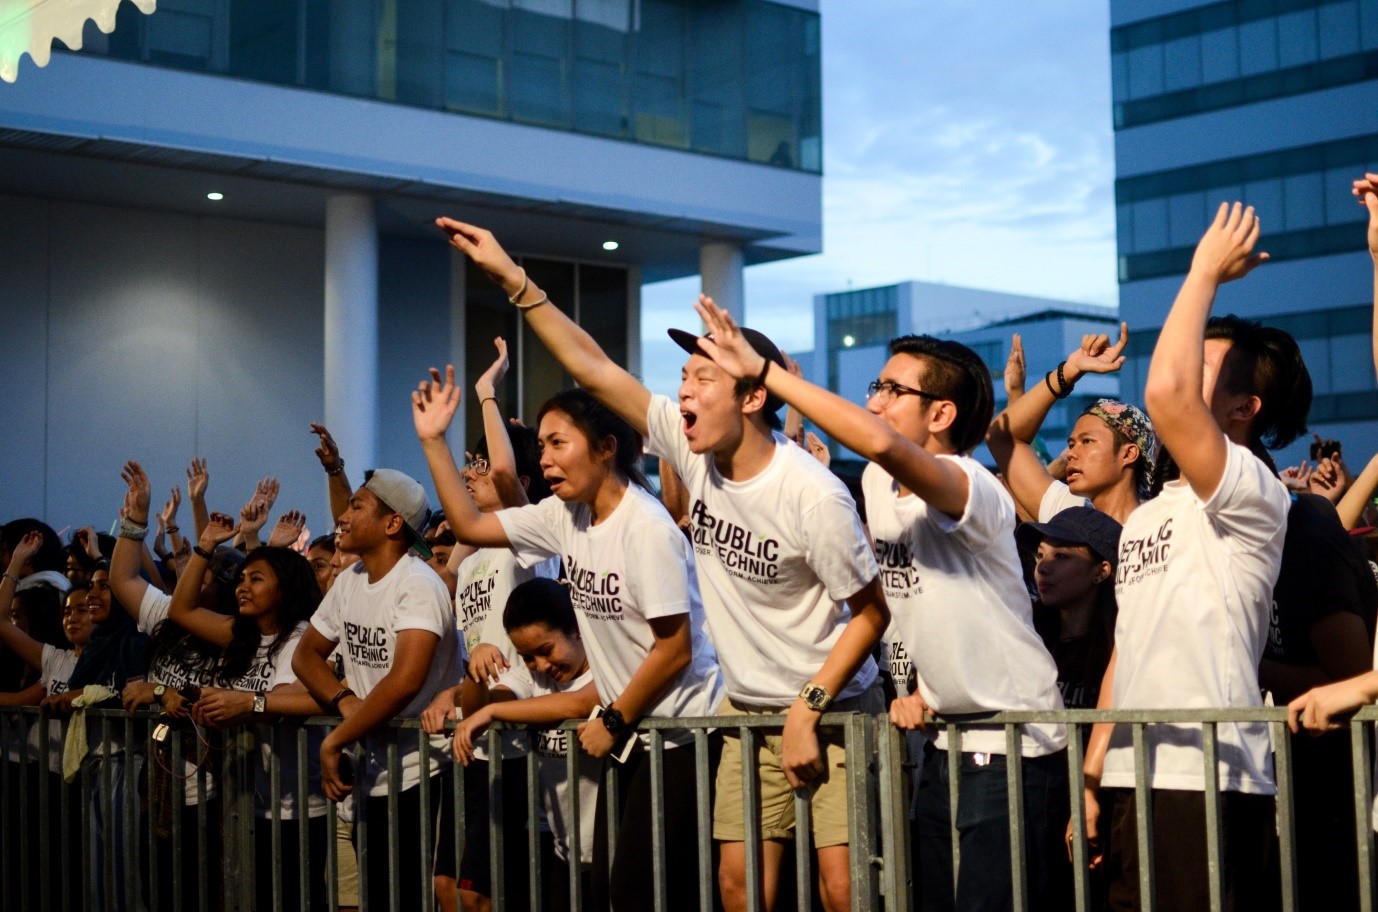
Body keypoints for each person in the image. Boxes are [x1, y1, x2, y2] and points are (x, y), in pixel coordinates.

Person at [436, 217, 888, 912]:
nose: (683, 391)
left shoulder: (812, 495)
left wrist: (809, 706)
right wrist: (514, 280)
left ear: (754, 396)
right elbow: (592, 367)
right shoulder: (690, 445)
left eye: (704, 376)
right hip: (745, 709)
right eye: (682, 375)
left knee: (841, 889)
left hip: (832, 709)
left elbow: (871, 614)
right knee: (738, 888)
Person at [692, 300, 1068, 911]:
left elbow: (879, 442)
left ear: (941, 412)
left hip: (1016, 748)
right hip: (946, 741)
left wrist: (764, 372)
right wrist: (922, 689)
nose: (874, 402)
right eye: (876, 386)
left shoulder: (972, 487)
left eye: (893, 389)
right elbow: (916, 602)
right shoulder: (872, 484)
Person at [414, 370, 724, 912]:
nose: (546, 459)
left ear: (606, 448)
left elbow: (675, 649)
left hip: (679, 735)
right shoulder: (565, 516)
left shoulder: (646, 528)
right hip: (632, 732)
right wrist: (433, 441)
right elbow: (467, 523)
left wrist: (612, 718)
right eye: (541, 446)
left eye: (559, 443)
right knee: (611, 890)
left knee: (640, 893)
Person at [1085, 203, 1311, 911]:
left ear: (1244, 407)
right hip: (1131, 771)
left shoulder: (1252, 492)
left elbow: (1165, 395)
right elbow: (1129, 647)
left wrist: (1204, 272)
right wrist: (1093, 773)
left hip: (1210, 775)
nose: (1180, 364)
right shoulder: (1150, 512)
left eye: (1202, 364)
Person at [419, 339, 556, 912]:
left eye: (481, 466)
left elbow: (503, 471)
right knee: (446, 889)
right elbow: (459, 520)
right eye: (468, 465)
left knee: (485, 894)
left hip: (517, 738)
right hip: (473, 729)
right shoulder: (471, 555)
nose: (473, 474)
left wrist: (486, 395)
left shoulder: (530, 540)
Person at [292, 468, 461, 912]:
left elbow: (405, 681)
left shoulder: (418, 585)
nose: (343, 517)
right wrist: (347, 704)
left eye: (357, 506)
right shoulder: (351, 579)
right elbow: (305, 656)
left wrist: (338, 737)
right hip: (375, 773)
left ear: (392, 524)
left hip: (424, 773)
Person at [165, 510, 330, 912]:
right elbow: (181, 610)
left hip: (304, 807)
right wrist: (205, 546)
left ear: (286, 587)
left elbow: (310, 695)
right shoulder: (241, 637)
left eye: (256, 579)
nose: (243, 586)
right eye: (241, 578)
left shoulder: (302, 637)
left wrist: (250, 704)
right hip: (252, 803)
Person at [450, 577, 604, 909]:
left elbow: (577, 704)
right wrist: (475, 673)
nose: (542, 666)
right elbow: (477, 710)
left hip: (614, 848)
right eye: (528, 657)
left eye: (546, 651)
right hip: (566, 851)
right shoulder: (532, 676)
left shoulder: (606, 667)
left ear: (576, 628)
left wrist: (492, 710)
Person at [987, 332, 1154, 525]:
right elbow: (1002, 437)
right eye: (1072, 444)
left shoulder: (1160, 528)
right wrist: (1069, 370)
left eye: (1087, 441)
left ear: (1129, 454)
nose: (1071, 454)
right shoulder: (1069, 512)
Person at [1016, 507, 1122, 712]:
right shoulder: (1026, 636)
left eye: (1061, 556)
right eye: (1040, 555)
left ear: (1101, 571)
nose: (1042, 567)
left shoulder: (1120, 646)